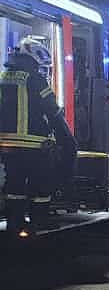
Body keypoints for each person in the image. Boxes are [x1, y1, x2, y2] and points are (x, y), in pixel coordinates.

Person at [0, 36, 75, 236]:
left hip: (7, 143)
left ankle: (15, 222)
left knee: (14, 182)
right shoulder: (35, 79)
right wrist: (65, 138)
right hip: (34, 142)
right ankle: (39, 221)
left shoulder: (4, 77)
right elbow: (51, 109)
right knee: (41, 182)